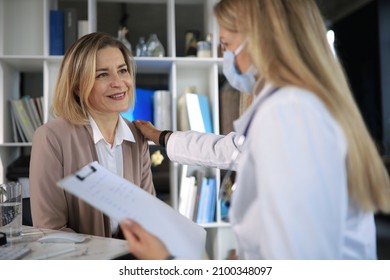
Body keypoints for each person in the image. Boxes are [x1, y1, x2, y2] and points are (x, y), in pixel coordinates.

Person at [120, 0, 390, 259]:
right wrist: (162, 137)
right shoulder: (298, 105)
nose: (225, 56)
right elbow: (231, 150)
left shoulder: (288, 113)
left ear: (261, 38)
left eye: (226, 45)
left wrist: (167, 261)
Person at [29, 32, 155, 238]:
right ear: (78, 86)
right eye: (102, 74)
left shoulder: (137, 136)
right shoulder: (50, 137)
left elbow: (147, 216)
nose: (119, 82)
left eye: (122, 70)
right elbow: (50, 230)